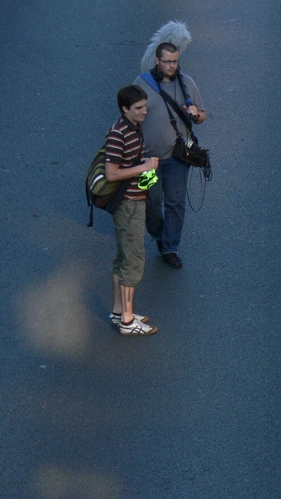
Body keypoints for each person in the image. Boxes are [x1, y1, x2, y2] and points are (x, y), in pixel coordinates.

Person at [134, 41, 206, 269]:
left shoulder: (187, 84)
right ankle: (158, 235)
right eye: (167, 61)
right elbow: (129, 116)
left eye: (175, 61)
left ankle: (170, 247)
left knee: (175, 203)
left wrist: (196, 114)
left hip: (177, 157)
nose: (172, 65)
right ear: (157, 61)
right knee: (150, 203)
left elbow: (202, 115)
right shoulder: (142, 83)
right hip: (147, 161)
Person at [105, 85, 160, 335]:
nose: (144, 111)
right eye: (138, 108)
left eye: (145, 106)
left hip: (134, 201)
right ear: (125, 108)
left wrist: (144, 167)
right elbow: (112, 173)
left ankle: (119, 312)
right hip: (128, 206)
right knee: (133, 261)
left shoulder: (133, 127)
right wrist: (144, 166)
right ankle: (128, 321)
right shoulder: (119, 132)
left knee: (123, 258)